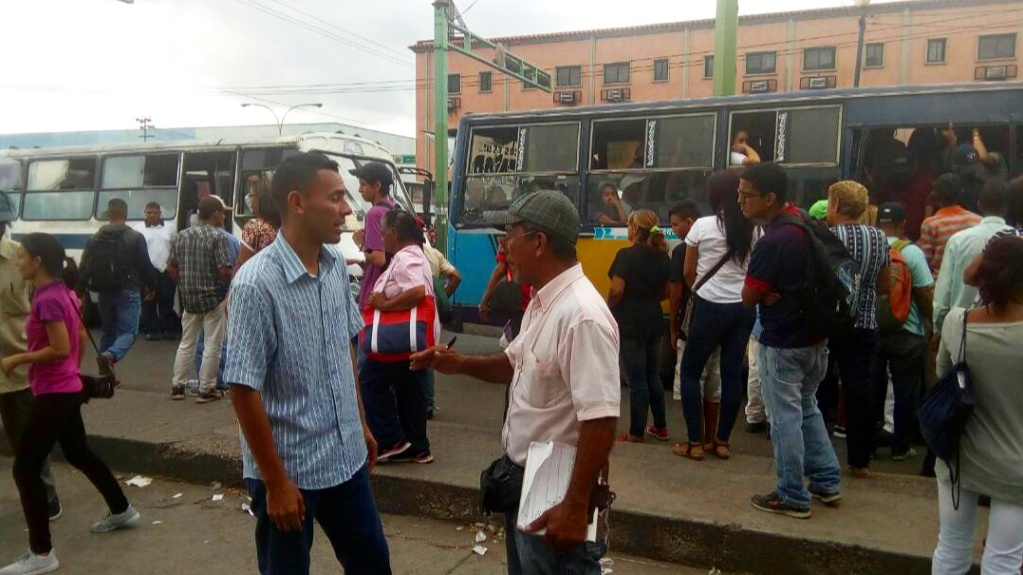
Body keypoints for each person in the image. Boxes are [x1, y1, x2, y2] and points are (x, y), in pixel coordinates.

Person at [411, 190, 619, 575]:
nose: (504, 248)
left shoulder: (582, 314)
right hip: (527, 478)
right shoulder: (543, 303)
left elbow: (601, 419)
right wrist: (458, 363)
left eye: (510, 236)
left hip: (558, 484)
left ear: (539, 243)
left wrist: (575, 506)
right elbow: (513, 362)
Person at [225, 152, 391, 575]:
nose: (348, 210)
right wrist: (276, 482)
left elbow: (343, 349)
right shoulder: (255, 284)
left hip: (346, 454)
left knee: (372, 562)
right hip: (289, 470)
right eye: (336, 197)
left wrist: (362, 422)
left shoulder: (336, 264)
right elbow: (244, 389)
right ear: (298, 203)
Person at [0, 233, 140, 575]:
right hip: (66, 386)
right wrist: (71, 374)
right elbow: (76, 340)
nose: (18, 264)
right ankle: (122, 508)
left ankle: (41, 553)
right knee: (78, 452)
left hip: (53, 392)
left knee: (25, 467)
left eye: (21, 258)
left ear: (37, 263)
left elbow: (61, 347)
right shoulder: (64, 292)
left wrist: (18, 359)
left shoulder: (47, 298)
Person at [738, 163, 842, 519]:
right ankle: (827, 480)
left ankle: (792, 494)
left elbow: (748, 297)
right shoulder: (801, 224)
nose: (740, 201)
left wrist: (762, 293)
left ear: (769, 198)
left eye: (746, 195)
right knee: (807, 408)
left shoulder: (772, 242)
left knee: (784, 418)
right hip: (815, 337)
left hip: (783, 342)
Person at [930, 236, 1023, 575]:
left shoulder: (959, 322)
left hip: (959, 453)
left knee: (951, 546)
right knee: (1004, 557)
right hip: (1016, 463)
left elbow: (943, 375)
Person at [674, 170, 758, 461]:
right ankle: (721, 442)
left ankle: (695, 443)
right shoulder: (754, 229)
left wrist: (699, 291)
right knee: (732, 373)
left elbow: (688, 271)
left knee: (690, 371)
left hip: (709, 306)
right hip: (743, 308)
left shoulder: (703, 225)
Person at [0, 196, 61, 524]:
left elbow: (51, 312)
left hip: (18, 369)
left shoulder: (20, 260)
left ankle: (46, 495)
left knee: (28, 438)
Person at [360, 210, 438, 464]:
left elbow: (417, 292)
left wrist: (383, 304)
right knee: (409, 387)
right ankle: (417, 446)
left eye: (383, 233)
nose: (381, 237)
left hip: (400, 338)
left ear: (394, 233)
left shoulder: (407, 258)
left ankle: (391, 439)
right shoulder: (411, 256)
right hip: (408, 338)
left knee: (370, 380)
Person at [825, 181, 891, 479]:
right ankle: (859, 461)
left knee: (818, 391)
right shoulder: (879, 238)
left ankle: (818, 457)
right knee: (859, 393)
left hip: (829, 324)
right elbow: (885, 285)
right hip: (865, 324)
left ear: (836, 205)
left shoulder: (828, 236)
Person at [871, 202, 934, 461]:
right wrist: (931, 324)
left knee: (872, 389)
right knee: (906, 389)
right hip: (907, 331)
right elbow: (924, 293)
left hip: (873, 329)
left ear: (878, 223)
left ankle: (868, 444)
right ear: (903, 223)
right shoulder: (912, 253)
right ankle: (900, 446)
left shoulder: (870, 247)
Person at [607, 209, 670, 443]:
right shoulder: (663, 256)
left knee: (637, 379)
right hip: (654, 320)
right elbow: (666, 291)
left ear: (634, 229)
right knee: (652, 374)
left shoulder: (626, 255)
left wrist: (608, 307)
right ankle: (660, 427)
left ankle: (636, 432)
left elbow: (616, 290)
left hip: (630, 322)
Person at [77, 198, 156, 370]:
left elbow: (84, 267)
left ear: (108, 215)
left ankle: (105, 374)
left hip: (104, 291)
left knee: (108, 331)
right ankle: (109, 356)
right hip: (128, 290)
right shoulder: (135, 237)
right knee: (129, 332)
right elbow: (145, 265)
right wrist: (152, 287)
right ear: (126, 215)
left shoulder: (95, 238)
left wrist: (78, 293)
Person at [169, 196, 232, 403]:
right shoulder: (217, 237)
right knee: (213, 344)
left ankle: (178, 386)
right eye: (222, 213)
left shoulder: (181, 236)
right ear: (215, 214)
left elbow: (172, 267)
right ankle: (207, 388)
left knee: (187, 342)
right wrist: (226, 289)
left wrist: (184, 284)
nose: (223, 217)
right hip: (212, 298)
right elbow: (224, 270)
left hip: (189, 298)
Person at [932, 182, 1008, 335]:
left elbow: (942, 298)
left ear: (979, 204)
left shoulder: (958, 240)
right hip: (1005, 330)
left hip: (961, 330)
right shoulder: (1015, 238)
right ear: (1006, 208)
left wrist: (940, 331)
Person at [667, 200, 717, 404]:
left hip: (692, 320)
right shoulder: (716, 246)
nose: (673, 229)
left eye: (674, 224)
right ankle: (711, 435)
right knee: (715, 379)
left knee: (688, 375)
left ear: (689, 222)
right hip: (719, 317)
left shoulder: (682, 251)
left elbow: (676, 294)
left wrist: (673, 328)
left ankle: (692, 433)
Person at [351, 162, 396, 320]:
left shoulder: (374, 214)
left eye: (363, 184)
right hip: (390, 293)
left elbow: (378, 258)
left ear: (376, 186)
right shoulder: (394, 208)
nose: (359, 190)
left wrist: (360, 243)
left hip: (373, 294)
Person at [423, 242, 461, 419]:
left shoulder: (404, 255)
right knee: (430, 353)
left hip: (419, 311)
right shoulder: (434, 253)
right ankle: (428, 404)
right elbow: (456, 276)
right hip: (434, 312)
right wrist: (443, 296)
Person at [918, 174, 982, 279]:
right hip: (970, 283)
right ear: (961, 194)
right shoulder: (977, 220)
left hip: (940, 283)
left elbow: (926, 260)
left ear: (935, 196)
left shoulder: (930, 224)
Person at [134, 201, 179, 341]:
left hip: (165, 270)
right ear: (145, 214)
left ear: (160, 214)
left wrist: (172, 265)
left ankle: (167, 329)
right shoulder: (138, 229)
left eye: (155, 212)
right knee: (148, 301)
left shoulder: (170, 228)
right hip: (147, 271)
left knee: (167, 300)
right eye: (149, 212)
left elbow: (176, 247)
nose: (152, 215)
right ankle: (151, 330)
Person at [479, 236, 532, 341]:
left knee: (519, 343)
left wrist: (484, 302)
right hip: (537, 300)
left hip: (520, 302)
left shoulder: (507, 240)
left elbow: (499, 270)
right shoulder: (538, 237)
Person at [235, 175, 281, 270]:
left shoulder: (254, 227)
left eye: (251, 195)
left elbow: (241, 265)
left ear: (261, 198)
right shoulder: (281, 224)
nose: (249, 199)